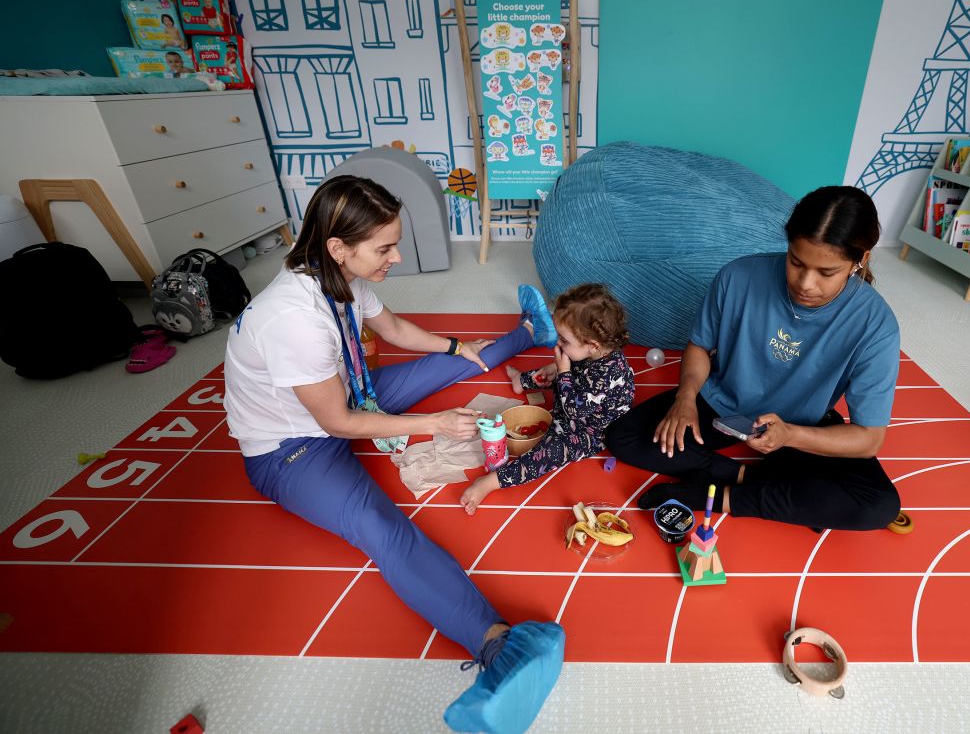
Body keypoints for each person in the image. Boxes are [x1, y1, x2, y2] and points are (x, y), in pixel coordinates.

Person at [223, 175, 565, 732]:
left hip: (346, 394)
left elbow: (396, 327)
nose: (397, 256)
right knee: (384, 531)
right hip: (291, 451)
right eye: (384, 248)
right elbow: (336, 422)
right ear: (338, 246)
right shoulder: (296, 321)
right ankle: (495, 643)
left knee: (450, 361)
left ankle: (531, 330)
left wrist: (456, 347)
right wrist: (434, 422)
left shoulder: (335, 274)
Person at [607, 185, 902, 532]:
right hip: (722, 405)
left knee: (878, 505)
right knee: (624, 437)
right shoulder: (738, 277)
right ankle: (740, 473)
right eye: (796, 261)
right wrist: (685, 399)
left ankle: (718, 496)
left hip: (801, 425)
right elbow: (700, 346)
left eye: (827, 273)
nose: (806, 283)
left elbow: (869, 437)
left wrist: (790, 435)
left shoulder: (876, 324)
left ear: (860, 259)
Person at [460, 283, 635, 513]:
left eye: (564, 340)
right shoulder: (595, 351)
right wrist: (560, 370)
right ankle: (521, 381)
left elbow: (574, 410)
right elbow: (577, 371)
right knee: (551, 371)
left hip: (590, 431)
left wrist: (564, 373)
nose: (557, 343)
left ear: (592, 346)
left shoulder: (608, 373)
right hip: (576, 397)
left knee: (550, 452)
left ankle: (491, 482)